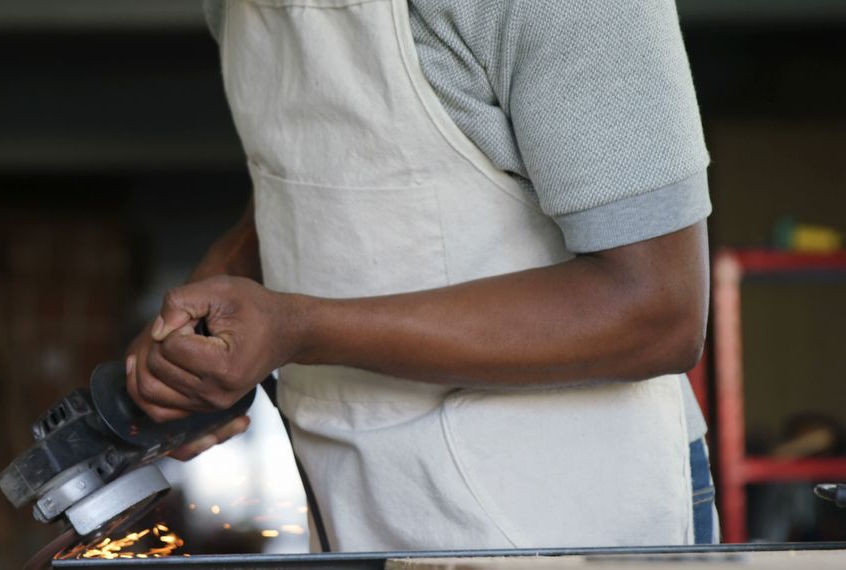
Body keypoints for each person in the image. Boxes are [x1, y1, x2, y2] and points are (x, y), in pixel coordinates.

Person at [125, 0, 718, 551]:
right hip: (351, 510)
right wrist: (198, 329)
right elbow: (315, 178)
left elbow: (658, 312)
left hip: (563, 519)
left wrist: (299, 329)